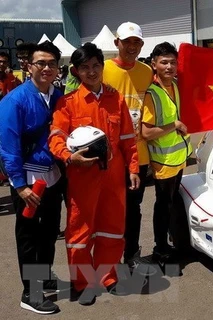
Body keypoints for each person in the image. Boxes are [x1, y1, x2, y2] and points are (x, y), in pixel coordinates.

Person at [49, 42, 140, 305]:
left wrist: (133, 167)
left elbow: (127, 138)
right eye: (85, 67)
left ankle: (108, 277)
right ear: (76, 71)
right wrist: (69, 157)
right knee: (80, 232)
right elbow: (56, 137)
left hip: (113, 177)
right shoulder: (67, 103)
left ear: (102, 67)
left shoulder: (116, 98)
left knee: (112, 229)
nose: (91, 71)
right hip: (83, 177)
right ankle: (83, 283)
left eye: (95, 66)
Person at [0, 41, 65, 314]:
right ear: (29, 66)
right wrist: (19, 185)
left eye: (52, 63)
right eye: (41, 63)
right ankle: (30, 292)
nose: (46, 68)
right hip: (28, 178)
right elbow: (7, 145)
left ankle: (44, 274)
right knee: (28, 234)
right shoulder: (14, 100)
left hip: (53, 174)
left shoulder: (59, 94)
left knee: (49, 231)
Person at [103, 21, 154, 275]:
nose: (132, 47)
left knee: (134, 209)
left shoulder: (147, 72)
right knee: (111, 209)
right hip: (111, 155)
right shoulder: (101, 70)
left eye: (137, 42)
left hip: (139, 154)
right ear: (116, 43)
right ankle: (108, 260)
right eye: (127, 42)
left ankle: (132, 254)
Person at [141, 42, 192, 262]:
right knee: (163, 205)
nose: (169, 66)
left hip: (178, 158)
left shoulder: (176, 86)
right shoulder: (153, 93)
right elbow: (146, 132)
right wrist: (175, 125)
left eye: (173, 62)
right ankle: (160, 248)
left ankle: (171, 241)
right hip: (163, 162)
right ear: (154, 64)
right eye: (164, 62)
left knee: (171, 203)